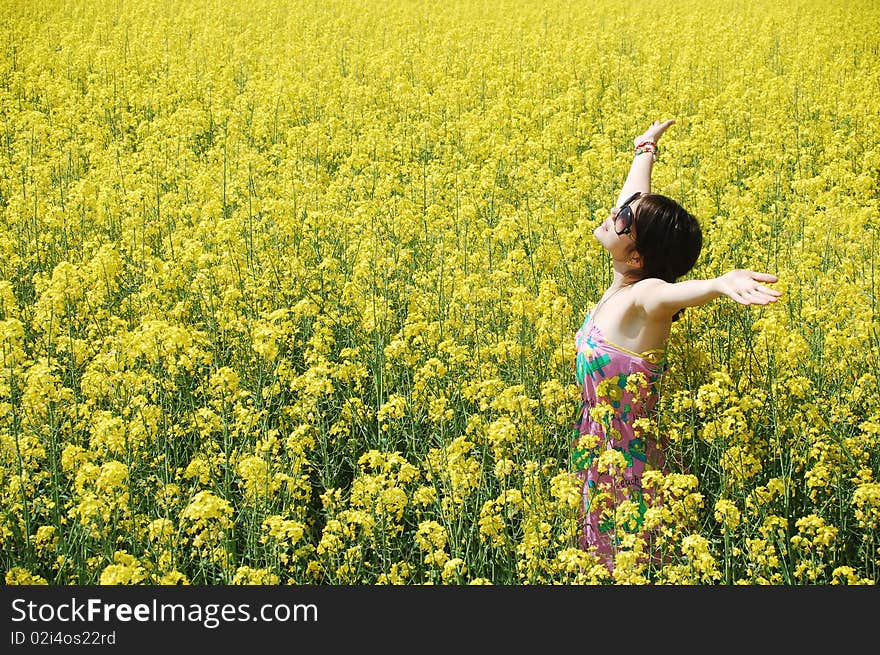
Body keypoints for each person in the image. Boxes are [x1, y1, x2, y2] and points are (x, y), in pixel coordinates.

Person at [570, 119, 782, 574]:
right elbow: (633, 202)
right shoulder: (622, 279)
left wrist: (721, 284)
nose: (616, 214)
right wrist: (645, 149)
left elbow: (672, 292)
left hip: (629, 467)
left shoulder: (645, 298)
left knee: (629, 566)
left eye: (624, 220)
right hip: (597, 449)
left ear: (637, 257)